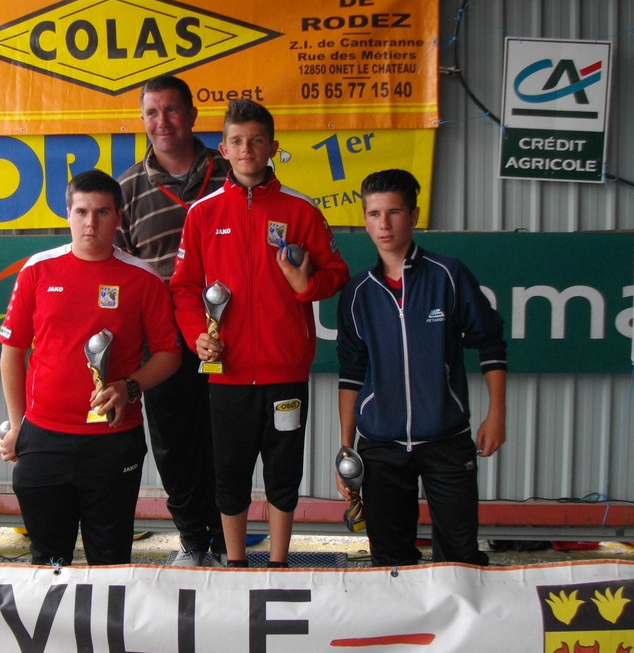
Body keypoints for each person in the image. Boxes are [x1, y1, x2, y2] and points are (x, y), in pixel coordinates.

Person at [170, 100, 350, 568]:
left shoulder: (300, 209)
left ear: (273, 147)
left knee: (283, 473)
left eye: (256, 140)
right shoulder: (203, 214)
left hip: (285, 373)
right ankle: (234, 563)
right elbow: (184, 288)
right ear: (223, 150)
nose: (246, 149)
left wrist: (305, 286)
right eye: (236, 141)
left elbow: (336, 273)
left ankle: (278, 563)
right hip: (226, 373)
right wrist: (197, 335)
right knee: (229, 473)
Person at [0, 169, 181, 567]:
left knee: (110, 561)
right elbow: (11, 353)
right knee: (47, 561)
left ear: (119, 217)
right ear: (68, 214)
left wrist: (130, 386)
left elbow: (169, 354)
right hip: (43, 439)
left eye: (102, 212)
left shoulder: (144, 278)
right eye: (81, 212)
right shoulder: (37, 270)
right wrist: (18, 426)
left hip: (112, 441)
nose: (90, 223)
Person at [335, 168, 507, 567]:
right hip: (380, 444)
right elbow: (351, 372)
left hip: (447, 437)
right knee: (390, 560)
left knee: (459, 558)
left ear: (413, 216)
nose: (384, 224)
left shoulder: (449, 275)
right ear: (365, 220)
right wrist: (347, 449)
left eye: (394, 212)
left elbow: (490, 341)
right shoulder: (357, 293)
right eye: (374, 214)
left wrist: (496, 413)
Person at [116, 75, 230, 567]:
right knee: (173, 446)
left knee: (227, 441)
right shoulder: (127, 189)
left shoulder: (232, 173)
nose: (161, 122)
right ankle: (192, 540)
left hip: (229, 336)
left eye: (171, 110)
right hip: (162, 343)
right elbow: (119, 271)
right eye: (151, 112)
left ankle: (228, 542)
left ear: (192, 115)